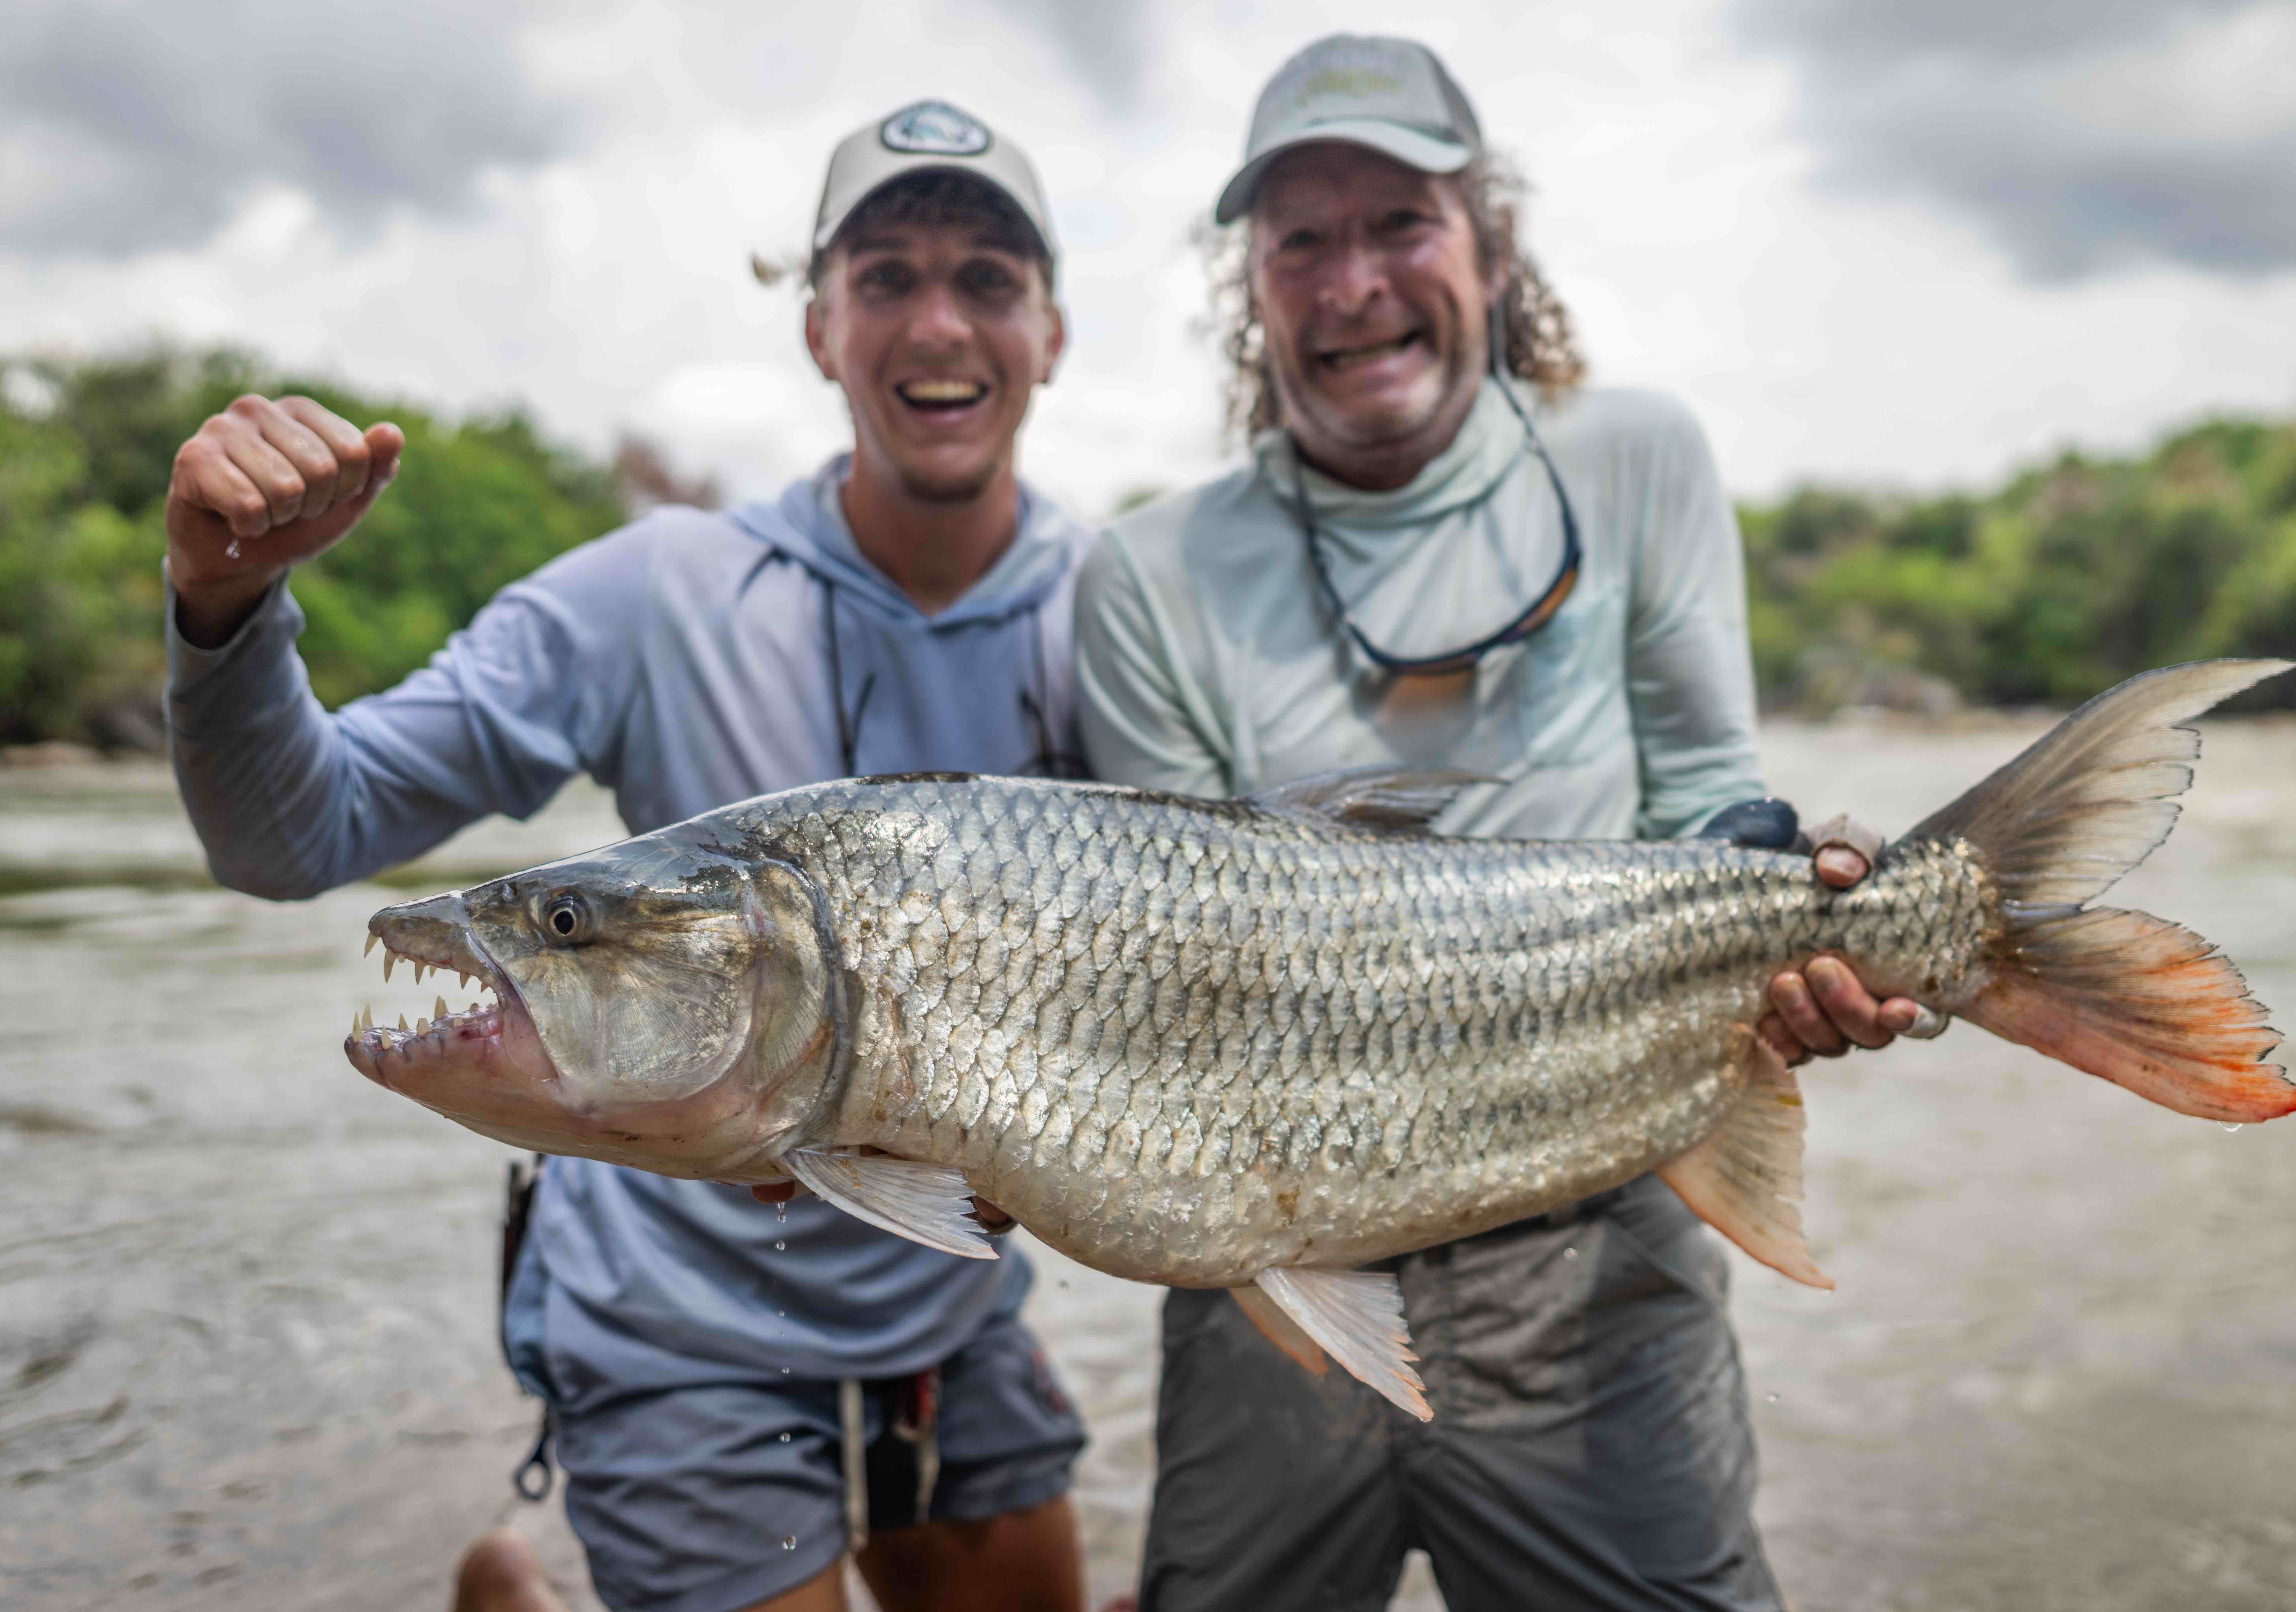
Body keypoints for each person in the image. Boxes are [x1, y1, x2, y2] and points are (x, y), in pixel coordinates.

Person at [162, 100, 1091, 1612]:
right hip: (676, 1314)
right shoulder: (655, 594)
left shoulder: (1119, 614)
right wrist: (224, 605)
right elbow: (290, 834)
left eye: (987, 278)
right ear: (819, 327)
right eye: (885, 276)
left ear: (1052, 330)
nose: (938, 322)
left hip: (952, 1299)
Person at [1074, 36, 1936, 1612]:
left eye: (1400, 224)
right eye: (1301, 241)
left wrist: (1804, 930)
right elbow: (1176, 970)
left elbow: (1707, 804)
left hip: (1602, 1238)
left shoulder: (1638, 455)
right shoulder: (1144, 572)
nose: (1353, 285)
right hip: (1261, 1255)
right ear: (1251, 287)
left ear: (1492, 244)